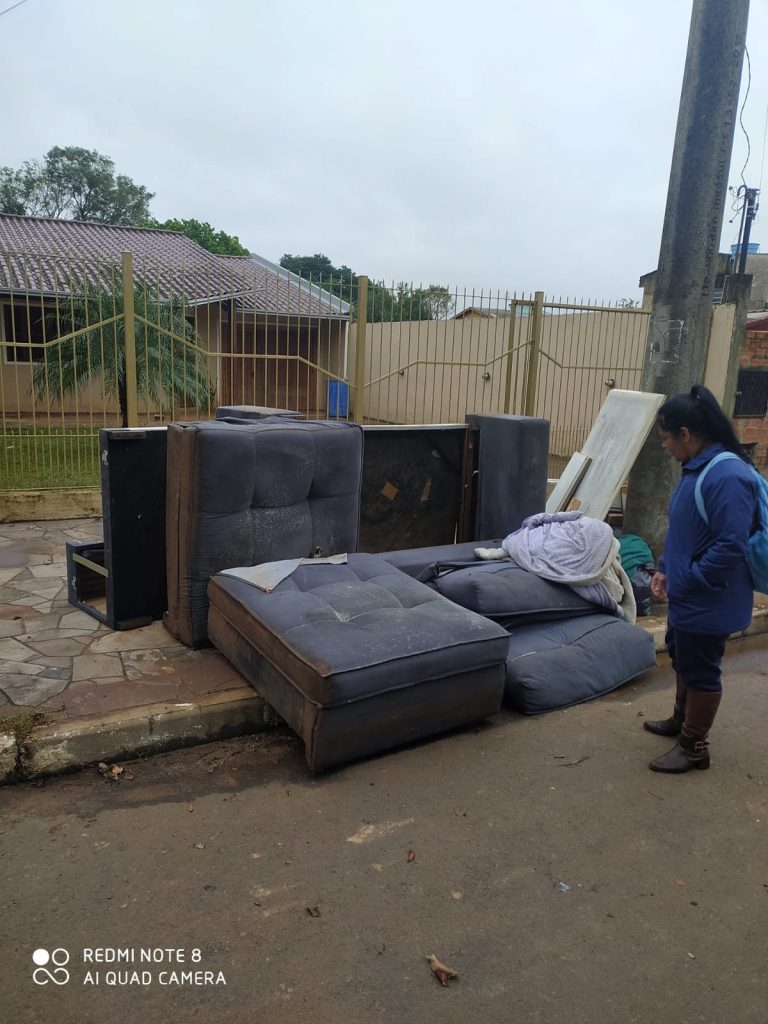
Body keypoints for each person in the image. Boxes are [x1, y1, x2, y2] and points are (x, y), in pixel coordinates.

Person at [645, 384, 759, 774]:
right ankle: (681, 720)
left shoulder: (726, 474)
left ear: (686, 435)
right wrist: (665, 567)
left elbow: (731, 544)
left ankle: (694, 746)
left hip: (709, 597)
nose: (665, 447)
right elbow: (686, 530)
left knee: (702, 669)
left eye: (665, 439)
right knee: (684, 658)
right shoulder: (696, 468)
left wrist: (691, 578)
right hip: (689, 593)